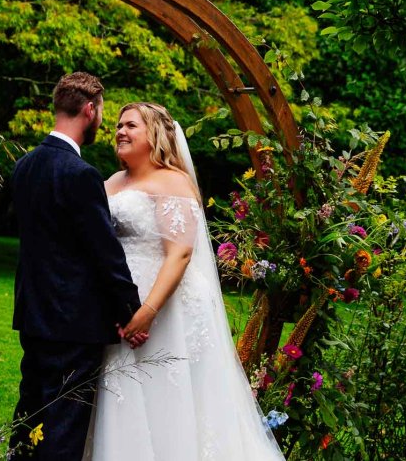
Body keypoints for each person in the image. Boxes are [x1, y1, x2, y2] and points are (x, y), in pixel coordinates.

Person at [85, 102, 286, 460]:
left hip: (165, 308)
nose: (119, 131)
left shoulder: (173, 182)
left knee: (165, 393)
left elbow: (179, 253)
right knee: (123, 392)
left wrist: (148, 311)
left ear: (155, 134)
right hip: (117, 305)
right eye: (117, 125)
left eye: (130, 125)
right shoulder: (112, 182)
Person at [10, 72, 147, 460]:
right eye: (103, 112)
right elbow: (105, 253)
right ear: (90, 109)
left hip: (33, 315)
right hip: (74, 322)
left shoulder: (25, 166)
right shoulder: (81, 175)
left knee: (29, 416)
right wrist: (130, 311)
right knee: (64, 428)